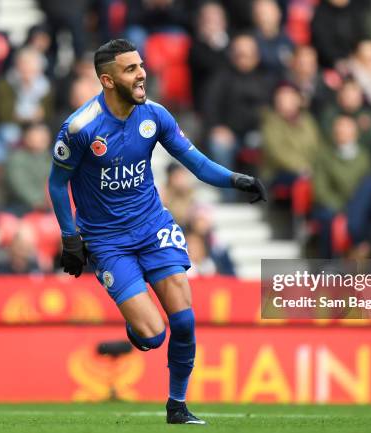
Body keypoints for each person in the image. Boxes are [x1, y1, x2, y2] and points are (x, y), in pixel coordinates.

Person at [48, 39, 266, 425]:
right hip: (107, 241)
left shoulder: (156, 116)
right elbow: (56, 183)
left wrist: (236, 179)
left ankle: (177, 406)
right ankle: (138, 329)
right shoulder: (80, 128)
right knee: (153, 336)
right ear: (108, 79)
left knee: (183, 321)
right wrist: (70, 238)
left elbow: (196, 163)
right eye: (130, 69)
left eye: (141, 66)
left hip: (153, 227)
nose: (141, 73)